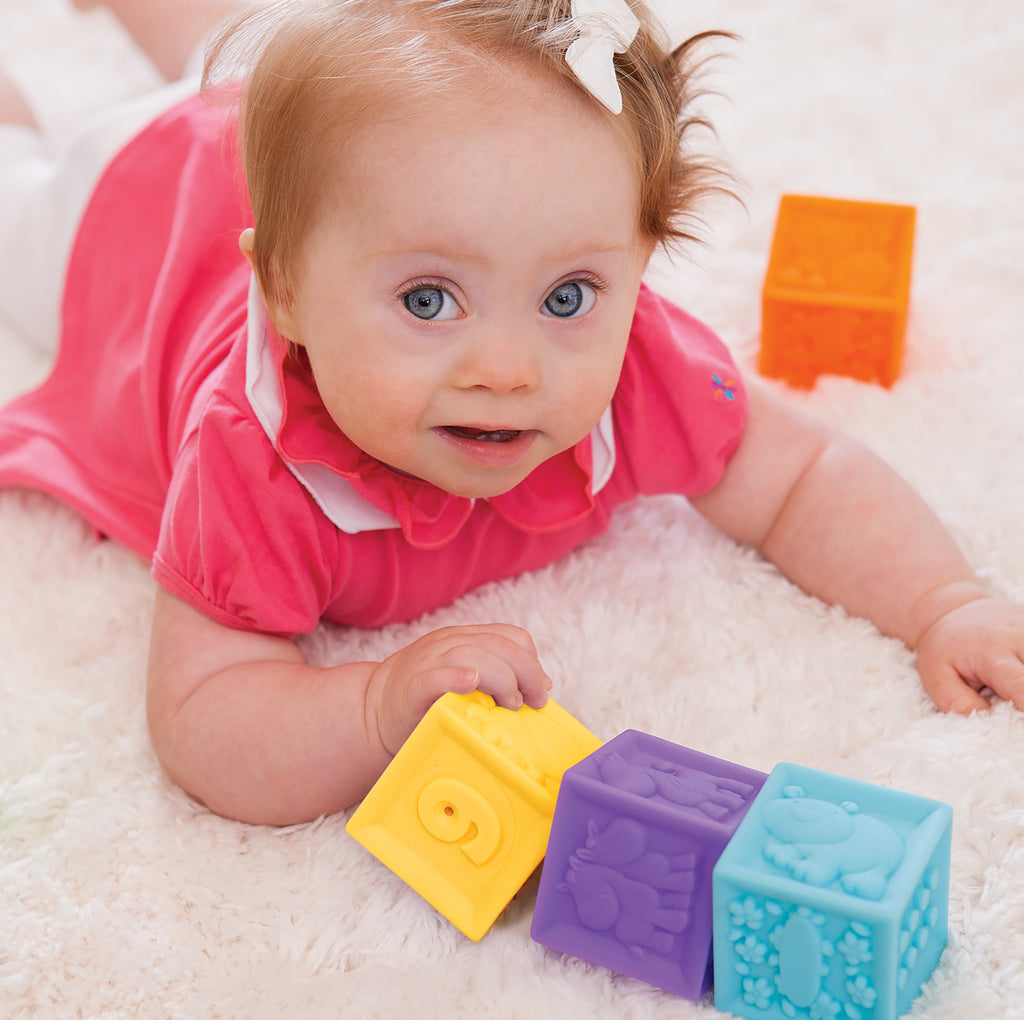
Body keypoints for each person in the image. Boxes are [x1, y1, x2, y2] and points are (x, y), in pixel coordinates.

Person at [0, 0, 1021, 828]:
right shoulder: (259, 452)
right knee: (26, 194)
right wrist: (369, 707)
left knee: (255, 58)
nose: (506, 367)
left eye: (568, 296)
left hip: (308, 145)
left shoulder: (633, 371)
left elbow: (802, 475)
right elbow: (202, 715)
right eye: (428, 301)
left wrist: (942, 601)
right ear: (287, 296)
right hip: (132, 215)